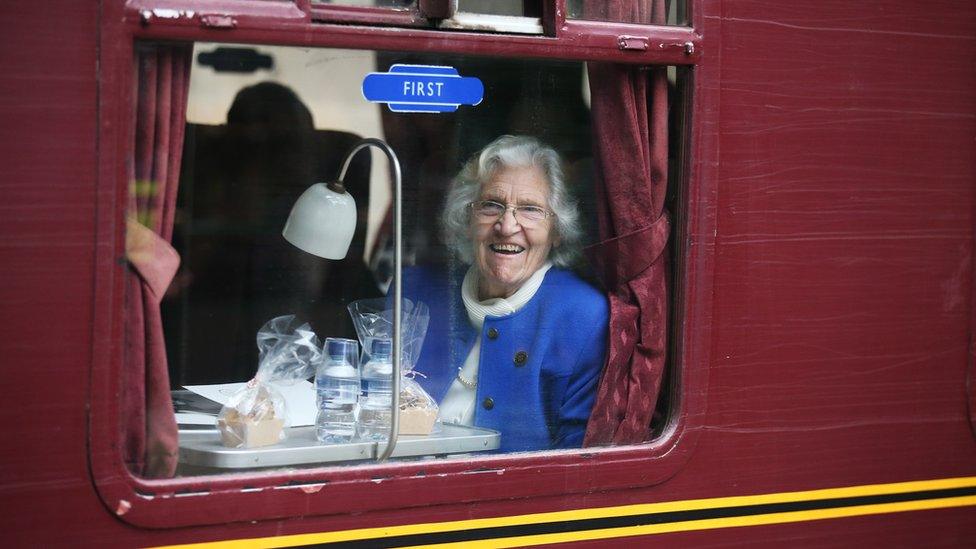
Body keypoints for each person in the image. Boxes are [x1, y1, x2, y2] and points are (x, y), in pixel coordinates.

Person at [407, 135, 608, 452]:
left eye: (530, 209)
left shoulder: (583, 317)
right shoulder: (414, 292)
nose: (507, 225)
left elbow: (576, 458)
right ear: (467, 218)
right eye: (491, 205)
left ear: (556, 230)